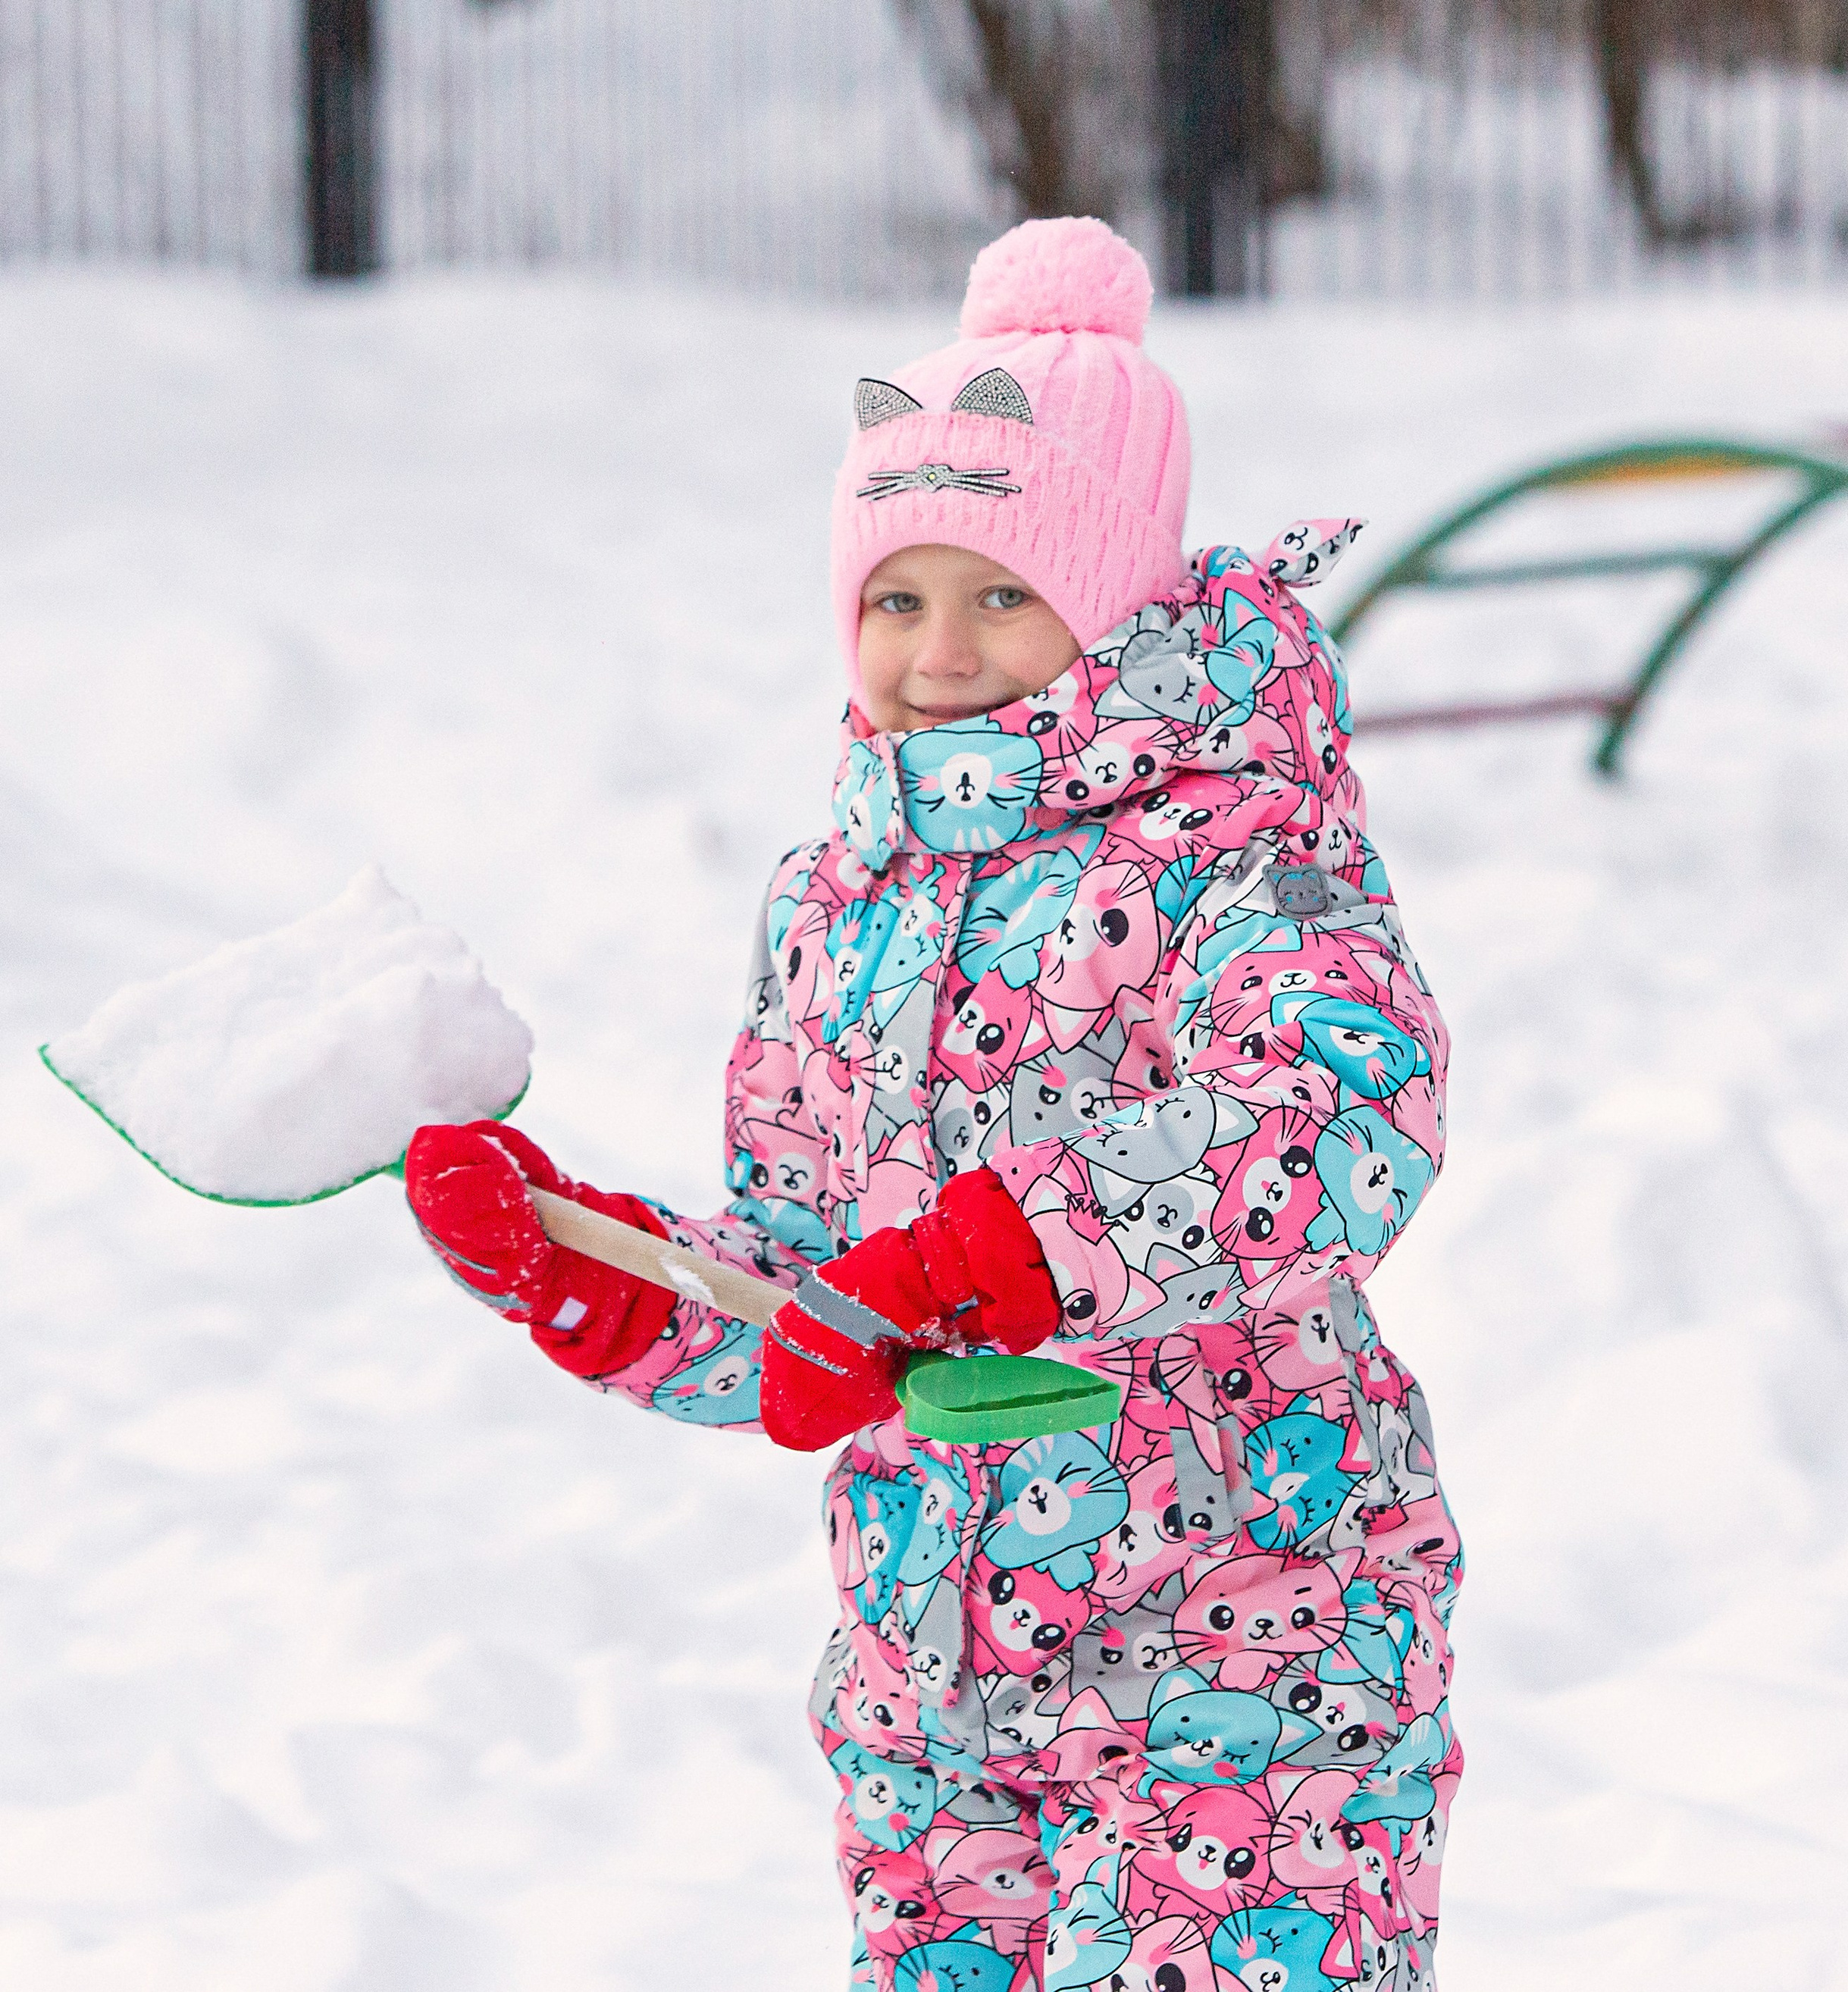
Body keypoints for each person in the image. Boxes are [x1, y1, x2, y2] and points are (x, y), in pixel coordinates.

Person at [405, 217, 1461, 1992]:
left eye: (1001, 591)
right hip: (931, 1676)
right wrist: (584, 1271)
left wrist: (986, 1252)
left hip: (1245, 1650)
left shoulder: (1229, 847)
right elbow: (808, 1276)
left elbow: (1338, 1123)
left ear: (1110, 601)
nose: (941, 647)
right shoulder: (840, 897)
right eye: (898, 594)